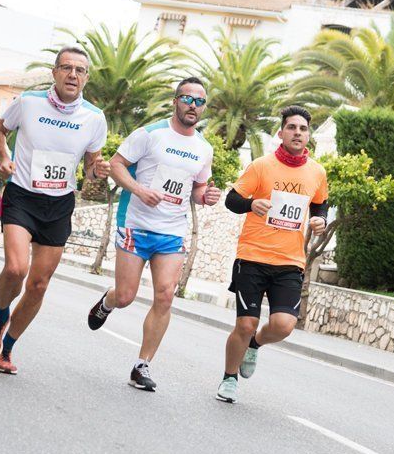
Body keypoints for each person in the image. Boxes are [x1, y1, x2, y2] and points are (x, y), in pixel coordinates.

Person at [86, 77, 222, 391]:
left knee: (165, 295)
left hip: (172, 231)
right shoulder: (149, 135)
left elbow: (199, 187)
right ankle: (107, 302)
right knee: (125, 296)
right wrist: (138, 189)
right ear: (176, 101)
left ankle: (142, 365)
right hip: (136, 223)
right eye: (188, 98)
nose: (193, 106)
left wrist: (205, 197)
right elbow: (118, 165)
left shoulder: (203, 148)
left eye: (200, 101)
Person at [0, 46, 109, 375]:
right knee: (15, 269)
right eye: (66, 68)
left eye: (80, 70)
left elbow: (91, 166)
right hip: (22, 195)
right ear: (54, 73)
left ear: (86, 78)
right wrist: (4, 156)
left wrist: (98, 171)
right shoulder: (29, 102)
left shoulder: (94, 118)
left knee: (38, 285)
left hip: (59, 204)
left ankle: (7, 348)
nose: (72, 74)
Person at [215, 106, 328, 403]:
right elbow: (232, 199)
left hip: (290, 262)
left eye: (303, 129)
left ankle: (254, 344)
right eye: (292, 127)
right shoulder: (261, 166)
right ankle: (229, 377)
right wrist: (251, 205)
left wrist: (321, 220)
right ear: (281, 133)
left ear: (309, 136)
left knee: (283, 325)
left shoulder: (317, 171)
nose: (297, 133)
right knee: (245, 323)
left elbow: (320, 203)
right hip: (252, 256)